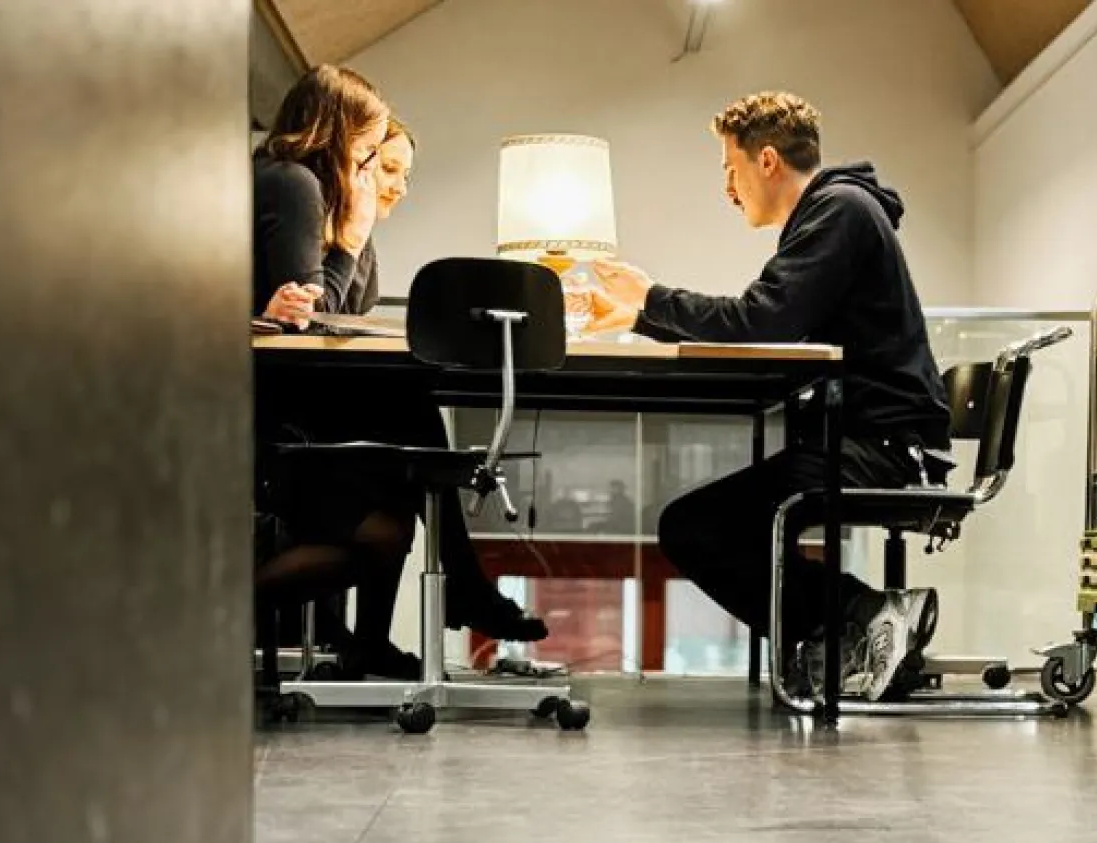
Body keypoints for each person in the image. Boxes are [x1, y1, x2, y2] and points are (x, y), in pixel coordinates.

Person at [589, 92, 947, 700]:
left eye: (730, 168)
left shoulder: (839, 210)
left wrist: (650, 299)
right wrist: (641, 316)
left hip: (882, 446)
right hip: (874, 436)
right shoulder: (833, 213)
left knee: (694, 528)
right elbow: (768, 323)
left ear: (768, 160)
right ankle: (849, 625)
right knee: (708, 525)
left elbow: (762, 320)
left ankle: (859, 615)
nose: (728, 189)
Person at [253, 72, 546, 680]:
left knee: (393, 510)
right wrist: (351, 241)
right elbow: (316, 323)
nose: (371, 171)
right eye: (369, 151)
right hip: (280, 419)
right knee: (409, 409)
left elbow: (335, 322)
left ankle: (381, 638)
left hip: (304, 404)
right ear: (338, 136)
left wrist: (353, 242)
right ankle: (461, 585)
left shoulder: (327, 210)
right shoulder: (294, 184)